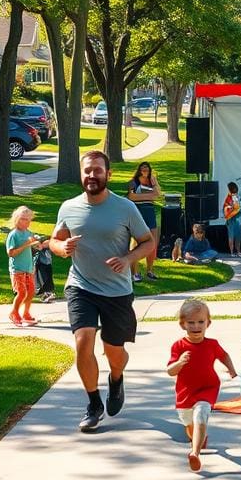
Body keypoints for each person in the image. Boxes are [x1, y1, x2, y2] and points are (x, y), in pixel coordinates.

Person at [49, 150, 156, 432]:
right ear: (81, 174)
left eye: (97, 170)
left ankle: (116, 379)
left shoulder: (125, 208)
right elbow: (54, 240)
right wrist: (63, 248)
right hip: (80, 285)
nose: (92, 176)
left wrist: (128, 259)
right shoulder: (68, 207)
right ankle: (93, 404)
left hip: (117, 291)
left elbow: (147, 242)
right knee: (83, 342)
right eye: (87, 171)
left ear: (108, 174)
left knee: (114, 353)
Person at [166, 299, 237, 472]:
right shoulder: (179, 346)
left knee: (201, 413)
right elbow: (170, 371)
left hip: (208, 388)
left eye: (200, 322)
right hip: (185, 394)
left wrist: (231, 369)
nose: (196, 326)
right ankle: (197, 438)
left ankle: (195, 453)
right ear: (182, 325)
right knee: (190, 423)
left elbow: (224, 355)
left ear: (208, 323)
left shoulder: (212, 344)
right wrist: (180, 362)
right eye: (191, 322)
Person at [5, 206, 42, 326]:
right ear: (16, 219)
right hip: (17, 269)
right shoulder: (13, 235)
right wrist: (26, 244)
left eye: (29, 219)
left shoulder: (28, 233)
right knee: (21, 292)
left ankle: (26, 313)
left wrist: (37, 245)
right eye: (23, 219)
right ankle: (14, 313)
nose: (27, 222)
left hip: (28, 268)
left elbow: (34, 246)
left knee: (30, 292)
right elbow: (11, 253)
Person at [126, 161, 161, 282]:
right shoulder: (134, 182)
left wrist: (154, 182)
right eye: (142, 168)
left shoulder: (152, 182)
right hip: (138, 212)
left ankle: (150, 270)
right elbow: (131, 197)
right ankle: (134, 272)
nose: (145, 170)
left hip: (149, 212)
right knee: (136, 242)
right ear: (139, 170)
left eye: (147, 168)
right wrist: (149, 196)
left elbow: (158, 195)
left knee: (153, 241)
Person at [223, 181, 241, 258]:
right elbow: (226, 210)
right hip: (230, 220)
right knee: (231, 237)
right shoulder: (228, 199)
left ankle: (238, 251)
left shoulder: (235, 197)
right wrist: (232, 208)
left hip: (236, 220)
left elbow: (238, 208)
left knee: (238, 236)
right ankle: (232, 252)